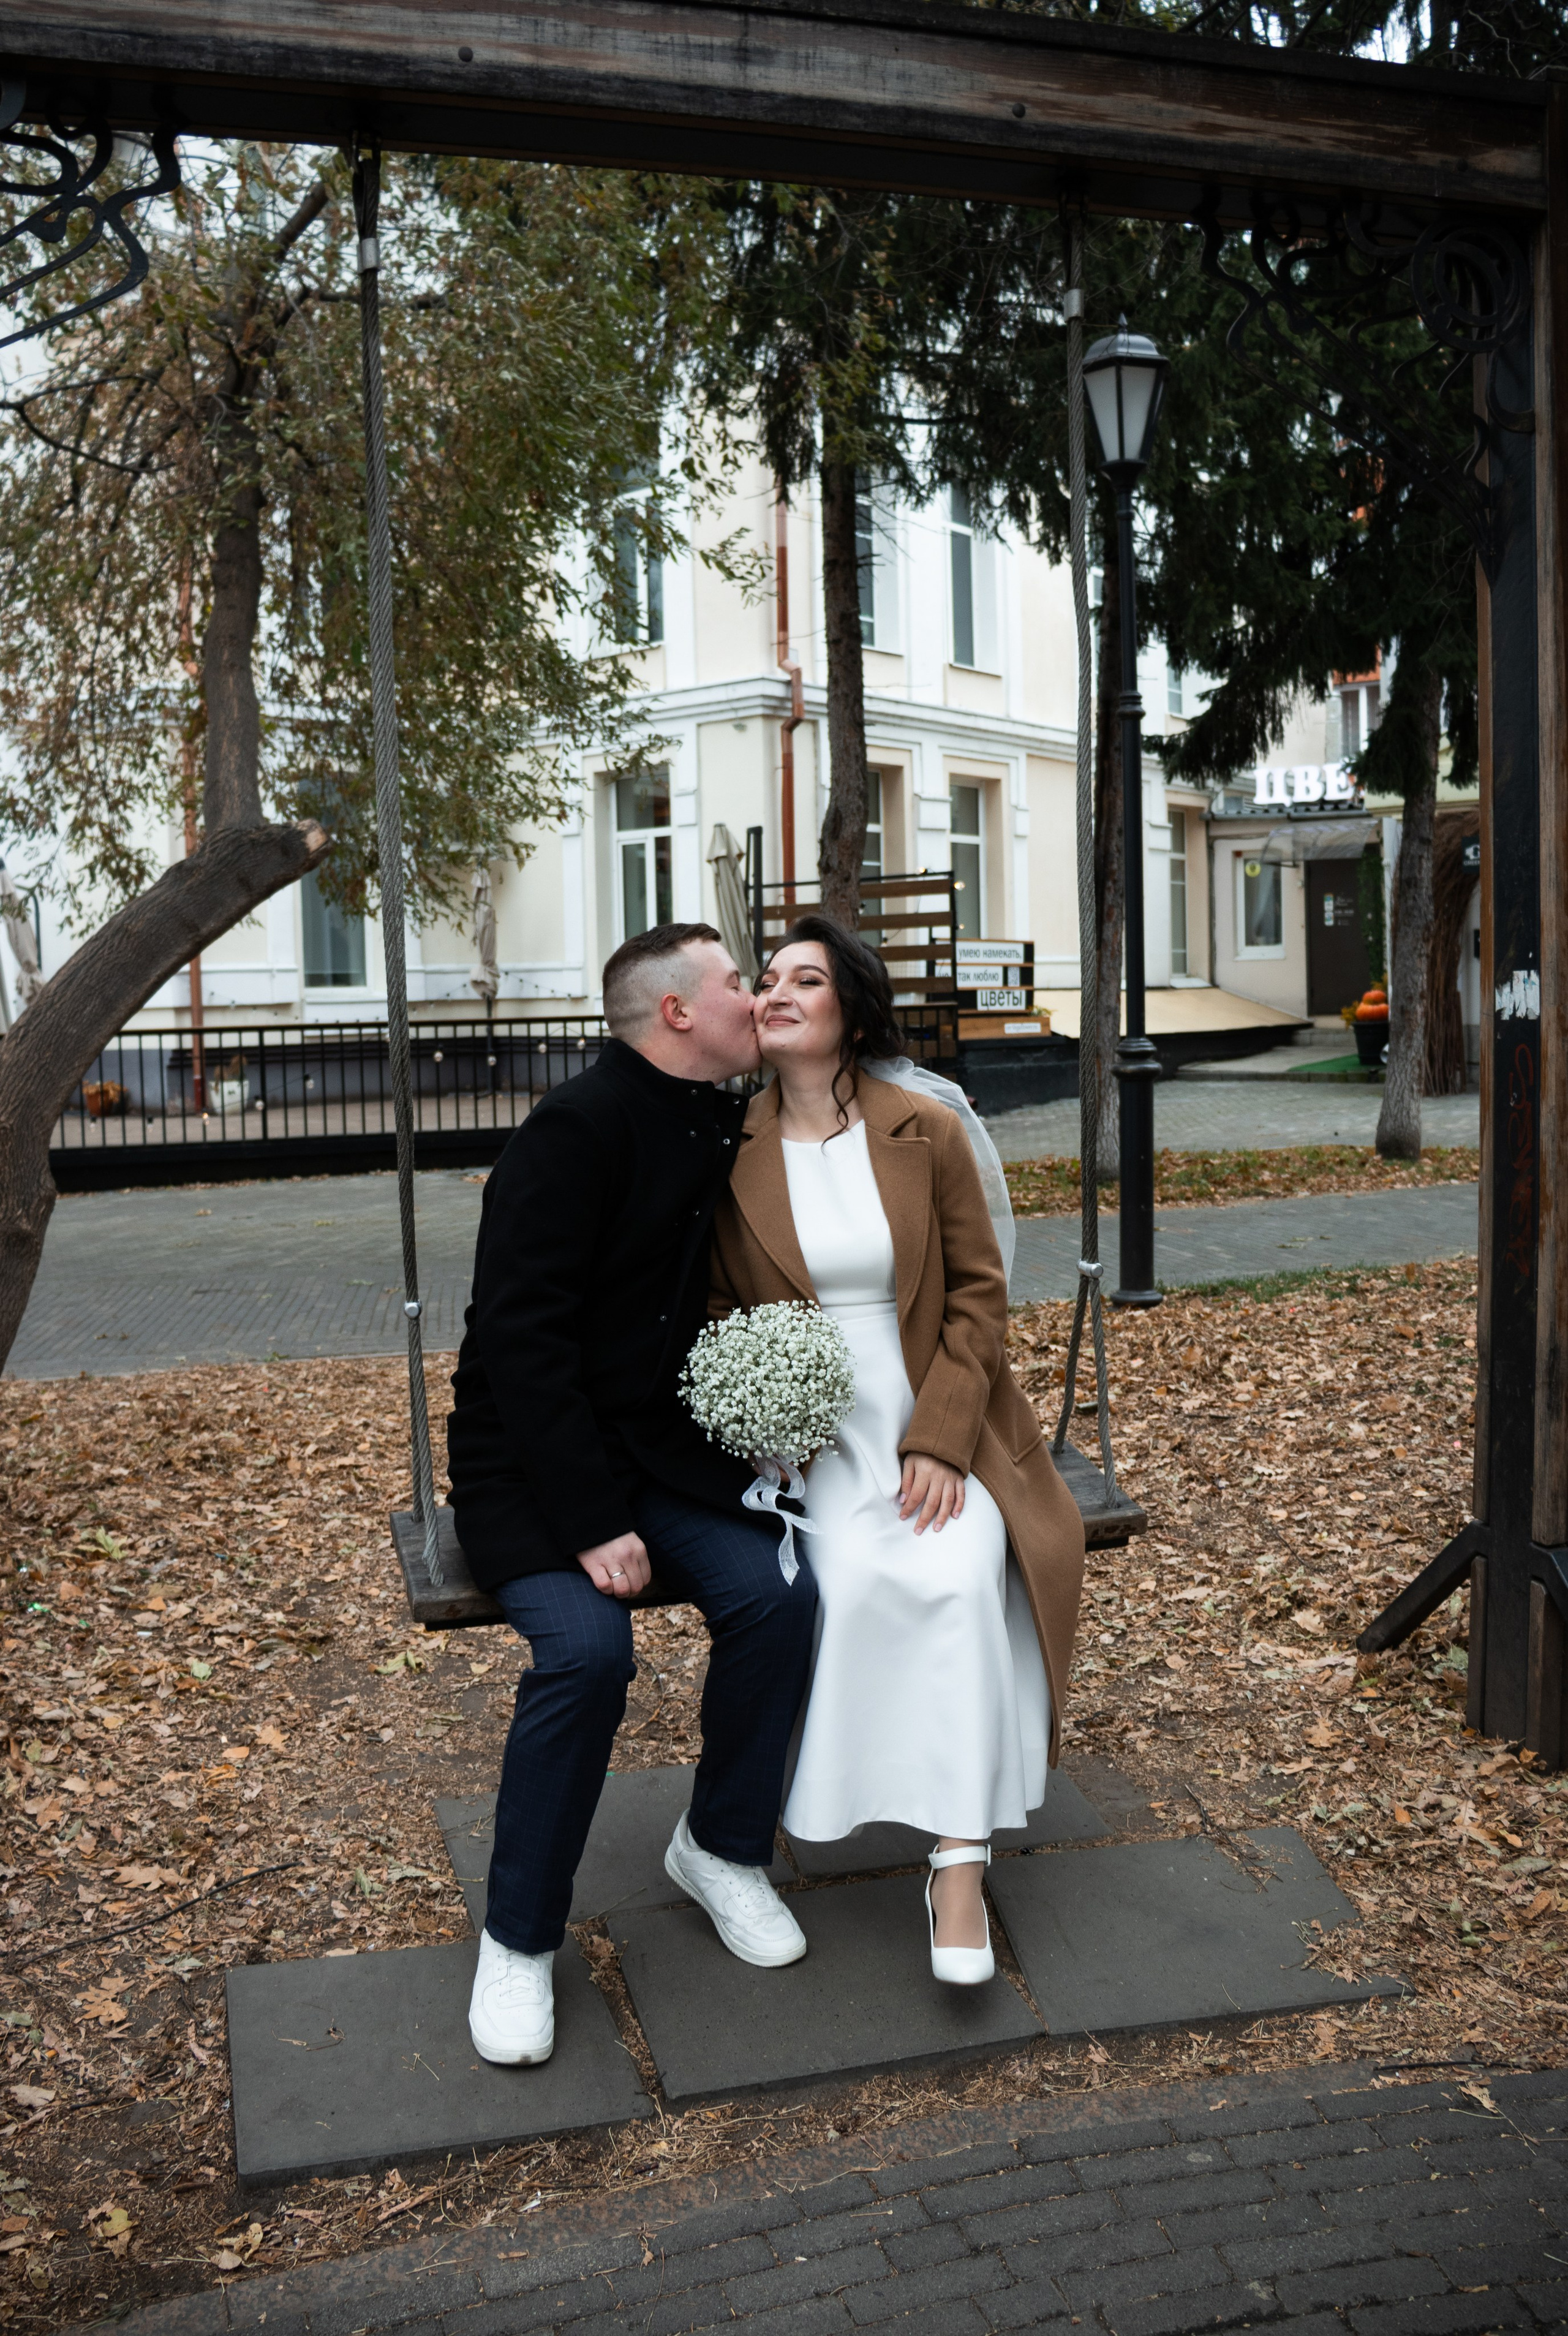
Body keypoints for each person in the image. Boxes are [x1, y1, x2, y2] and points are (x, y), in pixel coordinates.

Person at [447, 923, 820, 2067]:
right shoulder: (573, 1130)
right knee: (587, 1652)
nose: (754, 995)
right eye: (737, 981)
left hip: (656, 1448)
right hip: (532, 1463)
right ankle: (518, 1938)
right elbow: (522, 1343)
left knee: (777, 1595)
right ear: (676, 1011)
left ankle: (721, 1845)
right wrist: (591, 1519)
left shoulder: (718, 1118)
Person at [709, 915, 1084, 1985]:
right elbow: (719, 1306)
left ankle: (957, 1866)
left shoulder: (927, 1130)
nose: (776, 992)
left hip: (937, 1410)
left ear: (853, 1012)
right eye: (767, 978)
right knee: (851, 1583)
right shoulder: (730, 1149)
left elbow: (979, 1296)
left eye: (805, 979)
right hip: (815, 1436)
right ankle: (855, 1793)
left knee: (960, 1574)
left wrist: (942, 1439)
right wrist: (766, 1422)